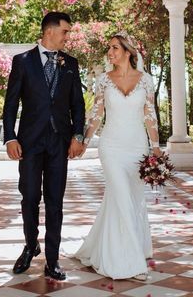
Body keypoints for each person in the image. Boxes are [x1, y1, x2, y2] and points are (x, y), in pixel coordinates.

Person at [3, 12, 86, 281]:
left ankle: (52, 259)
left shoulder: (70, 63)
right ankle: (30, 246)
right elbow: (11, 103)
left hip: (59, 142)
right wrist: (10, 137)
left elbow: (78, 105)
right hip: (29, 142)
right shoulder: (22, 62)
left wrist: (78, 136)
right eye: (65, 31)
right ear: (49, 31)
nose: (67, 37)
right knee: (29, 197)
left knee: (55, 202)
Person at [75, 31, 162, 281]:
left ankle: (109, 247)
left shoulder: (146, 80)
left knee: (131, 199)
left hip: (137, 147)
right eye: (109, 48)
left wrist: (156, 148)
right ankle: (131, 263)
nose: (110, 52)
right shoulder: (103, 80)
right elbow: (96, 115)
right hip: (111, 147)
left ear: (127, 52)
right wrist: (85, 141)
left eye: (115, 48)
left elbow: (150, 116)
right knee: (122, 198)